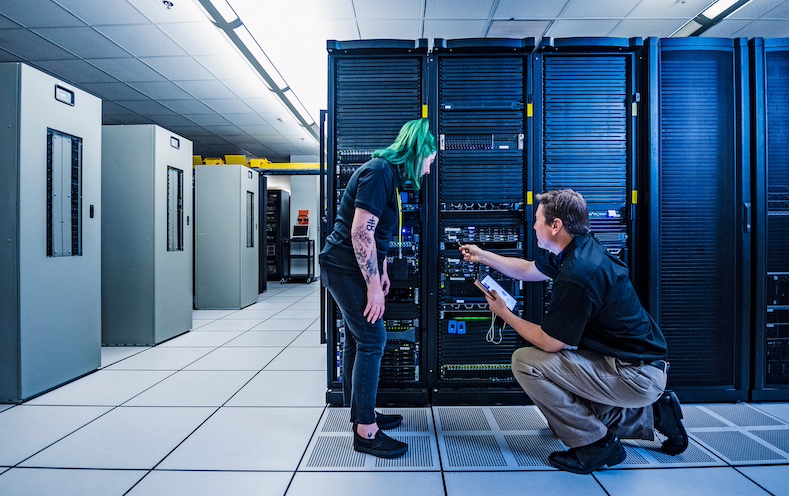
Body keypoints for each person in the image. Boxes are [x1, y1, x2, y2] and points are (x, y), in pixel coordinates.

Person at [459, 189, 688, 474]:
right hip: (630, 364)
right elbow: (529, 269)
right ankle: (653, 414)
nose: (533, 226)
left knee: (527, 362)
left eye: (538, 220)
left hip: (634, 375)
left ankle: (598, 445)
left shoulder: (578, 274)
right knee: (562, 400)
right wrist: (483, 256)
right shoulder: (578, 248)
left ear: (555, 226)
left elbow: (549, 342)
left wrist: (505, 314)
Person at [320, 118, 437, 458]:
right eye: (429, 160)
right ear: (418, 152)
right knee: (373, 339)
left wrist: (382, 269)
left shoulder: (387, 176)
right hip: (345, 269)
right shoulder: (380, 172)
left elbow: (377, 235)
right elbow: (360, 232)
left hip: (350, 267)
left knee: (360, 339)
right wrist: (372, 286)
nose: (429, 169)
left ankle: (361, 414)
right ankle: (366, 433)